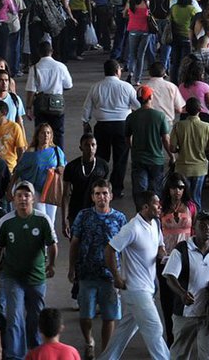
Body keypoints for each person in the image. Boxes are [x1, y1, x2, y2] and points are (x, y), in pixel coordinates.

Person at [94, 191, 168, 360]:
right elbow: (110, 250)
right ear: (145, 207)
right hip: (136, 290)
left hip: (148, 288)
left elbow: (160, 246)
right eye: (156, 204)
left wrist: (164, 256)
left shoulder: (155, 223)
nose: (160, 207)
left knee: (125, 330)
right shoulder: (132, 228)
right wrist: (117, 277)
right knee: (154, 328)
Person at [0, 180, 58, 360]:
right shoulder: (6, 222)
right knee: (14, 317)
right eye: (19, 195)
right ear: (13, 199)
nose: (23, 199)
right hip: (12, 276)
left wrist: (51, 264)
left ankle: (35, 351)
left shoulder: (42, 220)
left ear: (33, 198)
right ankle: (15, 355)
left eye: (26, 195)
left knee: (35, 317)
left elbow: (52, 245)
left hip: (36, 277)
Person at [164, 209, 209, 360]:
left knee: (208, 356)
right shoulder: (182, 250)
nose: (207, 228)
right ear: (194, 227)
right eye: (203, 225)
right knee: (179, 355)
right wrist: (182, 293)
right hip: (185, 314)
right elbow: (170, 276)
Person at [69, 179, 127, 360]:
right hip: (87, 273)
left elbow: (125, 248)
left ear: (110, 195)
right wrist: (72, 268)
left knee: (109, 316)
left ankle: (105, 353)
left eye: (104, 193)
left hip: (110, 276)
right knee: (86, 315)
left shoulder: (119, 218)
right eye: (97, 194)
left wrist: (123, 273)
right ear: (93, 197)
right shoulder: (83, 216)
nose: (101, 197)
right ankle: (89, 341)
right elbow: (75, 243)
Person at [82, 59, 139, 199]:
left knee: (101, 158)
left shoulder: (96, 87)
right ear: (117, 71)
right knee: (120, 159)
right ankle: (117, 189)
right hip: (122, 126)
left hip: (102, 126)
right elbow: (137, 105)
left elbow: (87, 107)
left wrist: (85, 122)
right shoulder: (127, 87)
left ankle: (99, 186)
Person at [157, 172, 197, 345]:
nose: (177, 191)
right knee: (167, 299)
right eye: (174, 187)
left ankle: (183, 335)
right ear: (168, 189)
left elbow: (195, 231)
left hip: (185, 258)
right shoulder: (160, 208)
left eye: (181, 187)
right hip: (165, 259)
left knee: (184, 295)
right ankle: (170, 335)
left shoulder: (191, 207)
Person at [12, 123, 65, 228]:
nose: (46, 135)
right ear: (38, 135)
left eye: (48, 133)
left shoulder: (56, 151)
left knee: (51, 219)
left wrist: (61, 169)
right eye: (43, 133)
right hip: (36, 190)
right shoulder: (31, 153)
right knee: (42, 217)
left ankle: (48, 242)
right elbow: (18, 169)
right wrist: (10, 187)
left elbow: (63, 165)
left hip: (51, 189)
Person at [125, 85, 173, 199]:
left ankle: (140, 214)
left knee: (140, 191)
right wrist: (172, 156)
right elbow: (165, 139)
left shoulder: (131, 117)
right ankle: (154, 215)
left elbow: (127, 138)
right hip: (156, 160)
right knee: (156, 192)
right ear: (151, 97)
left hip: (138, 159)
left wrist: (134, 149)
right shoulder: (160, 116)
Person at [25, 41, 73, 151]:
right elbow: (69, 85)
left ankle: (43, 156)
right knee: (58, 133)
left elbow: (31, 90)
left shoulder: (35, 68)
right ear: (52, 51)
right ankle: (59, 160)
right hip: (57, 105)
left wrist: (28, 108)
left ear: (39, 53)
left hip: (41, 105)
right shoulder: (61, 66)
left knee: (41, 134)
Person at [171, 97, 209, 209]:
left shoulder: (178, 126)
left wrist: (180, 149)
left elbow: (172, 148)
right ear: (200, 110)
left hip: (182, 168)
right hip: (200, 168)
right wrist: (203, 151)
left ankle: (184, 222)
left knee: (183, 198)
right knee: (196, 198)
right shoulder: (207, 127)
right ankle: (195, 221)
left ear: (186, 109)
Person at [62, 133, 110, 238]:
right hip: (76, 211)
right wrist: (64, 219)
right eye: (87, 145)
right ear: (81, 147)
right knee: (76, 243)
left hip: (97, 212)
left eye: (93, 145)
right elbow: (65, 195)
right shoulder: (71, 167)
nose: (90, 148)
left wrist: (107, 214)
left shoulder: (103, 166)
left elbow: (106, 193)